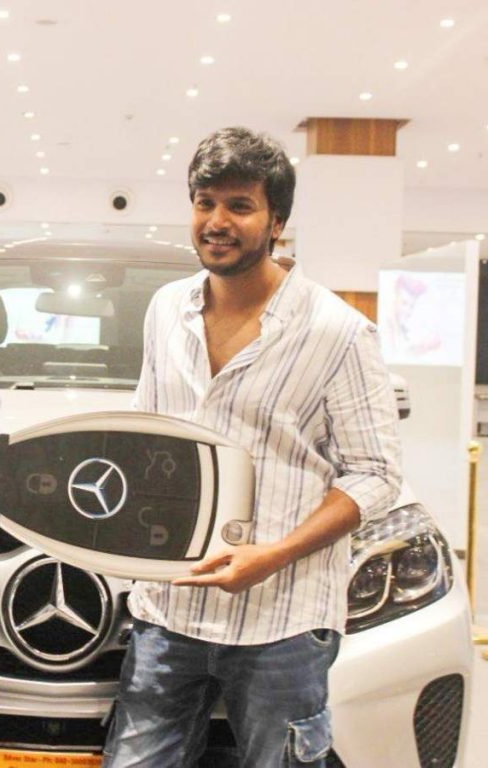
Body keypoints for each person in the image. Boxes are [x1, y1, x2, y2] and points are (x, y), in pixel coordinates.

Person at [102, 127, 402, 768]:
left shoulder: (338, 332)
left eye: (239, 206)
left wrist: (273, 555)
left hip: (282, 620)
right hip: (170, 607)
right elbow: (145, 431)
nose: (217, 221)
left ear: (276, 222)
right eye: (205, 202)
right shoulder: (165, 310)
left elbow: (376, 474)